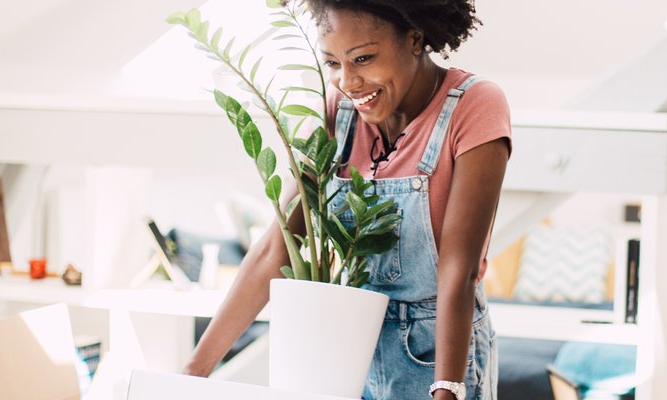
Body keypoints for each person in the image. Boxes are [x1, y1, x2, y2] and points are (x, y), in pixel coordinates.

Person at [183, 1, 510, 399]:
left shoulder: (475, 106)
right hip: (350, 351)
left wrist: (446, 388)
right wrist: (194, 371)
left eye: (363, 58)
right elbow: (278, 245)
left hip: (440, 353)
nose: (348, 82)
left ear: (416, 38)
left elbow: (457, 270)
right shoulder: (337, 113)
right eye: (333, 63)